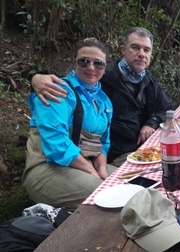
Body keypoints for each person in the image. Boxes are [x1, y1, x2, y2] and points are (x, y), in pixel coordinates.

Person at [30, 27, 173, 166]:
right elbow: (70, 82)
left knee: (174, 159)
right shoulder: (103, 75)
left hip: (140, 146)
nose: (142, 54)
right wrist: (36, 78)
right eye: (135, 47)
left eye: (146, 50)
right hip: (113, 153)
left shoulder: (149, 81)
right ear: (123, 50)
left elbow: (166, 108)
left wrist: (151, 123)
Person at [23, 38, 115, 210]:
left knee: (128, 184)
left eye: (98, 64)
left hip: (84, 164)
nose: (91, 67)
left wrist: (102, 168)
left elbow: (103, 143)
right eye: (84, 61)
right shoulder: (56, 90)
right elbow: (57, 143)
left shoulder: (104, 101)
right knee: (107, 197)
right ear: (75, 62)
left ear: (105, 67)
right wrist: (91, 172)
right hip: (48, 168)